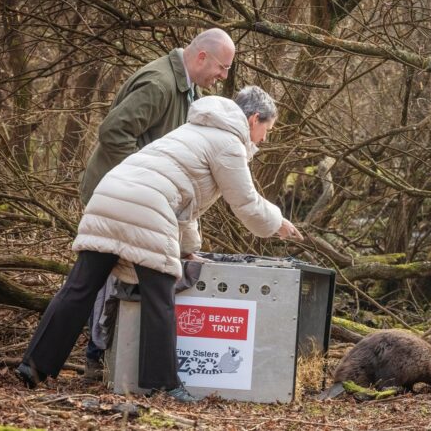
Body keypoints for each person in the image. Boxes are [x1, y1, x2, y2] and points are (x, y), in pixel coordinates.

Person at [16, 87, 303, 402]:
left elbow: (186, 208)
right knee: (160, 296)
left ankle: (34, 365)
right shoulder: (228, 144)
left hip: (110, 194)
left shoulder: (193, 129)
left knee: (79, 288)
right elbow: (246, 204)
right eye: (267, 130)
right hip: (147, 207)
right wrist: (278, 224)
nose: (264, 139)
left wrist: (186, 248)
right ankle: (163, 385)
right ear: (253, 119)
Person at [79, 28, 235, 380]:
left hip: (141, 201)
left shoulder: (188, 90)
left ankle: (112, 360)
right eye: (222, 67)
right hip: (118, 197)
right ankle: (97, 360)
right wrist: (141, 182)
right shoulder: (161, 84)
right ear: (201, 57)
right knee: (102, 280)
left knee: (118, 279)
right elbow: (113, 132)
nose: (223, 76)